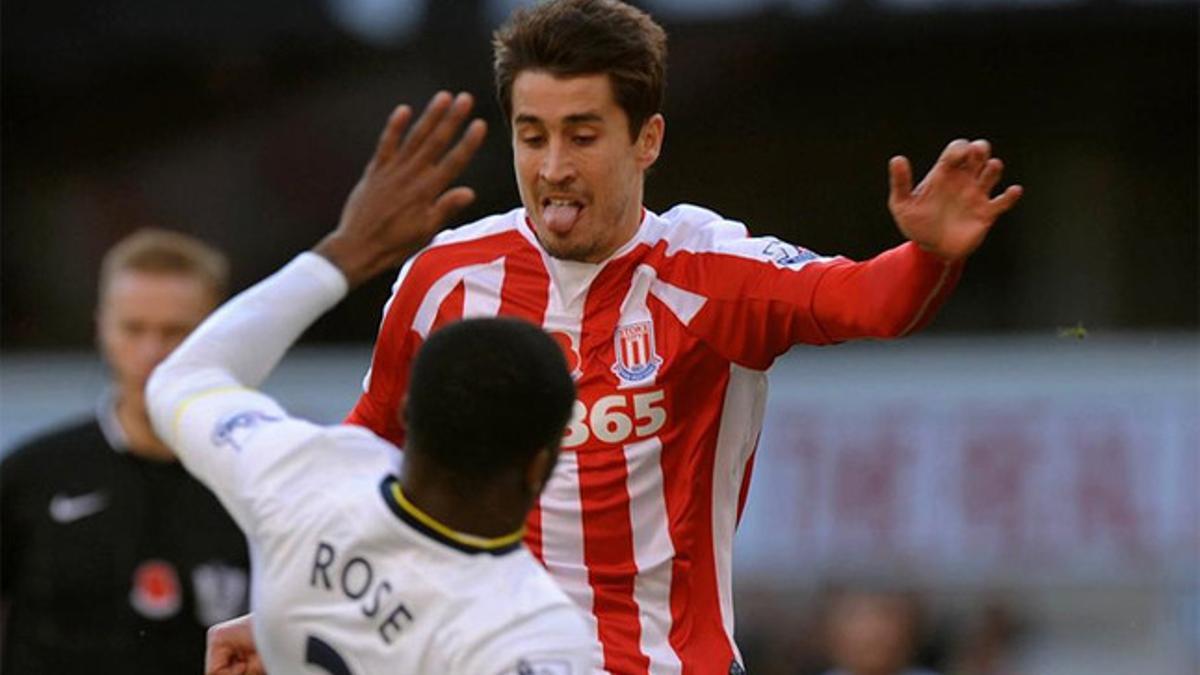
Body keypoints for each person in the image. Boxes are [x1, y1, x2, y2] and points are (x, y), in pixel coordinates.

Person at [338, 1, 1023, 673]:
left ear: (647, 139)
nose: (552, 168)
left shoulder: (710, 271)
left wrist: (929, 256)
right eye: (532, 135)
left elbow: (866, 301)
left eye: (581, 135)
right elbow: (368, 441)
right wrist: (293, 606)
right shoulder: (446, 281)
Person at [145, 91, 599, 674]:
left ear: (407, 415)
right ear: (540, 464)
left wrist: (343, 253)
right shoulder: (529, 633)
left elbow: (182, 379)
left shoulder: (310, 476)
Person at [0, 229, 251, 674]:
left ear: (219, 332)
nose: (152, 351)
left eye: (175, 332)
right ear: (101, 327)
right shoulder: (32, 475)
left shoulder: (261, 479)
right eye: (133, 329)